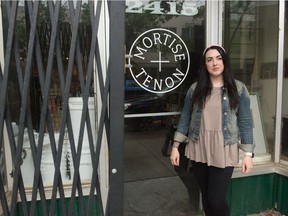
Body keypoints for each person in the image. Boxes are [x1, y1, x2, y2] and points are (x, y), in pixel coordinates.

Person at [170, 45, 255, 216]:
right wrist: (175, 146)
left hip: (224, 148)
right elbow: (185, 117)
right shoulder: (195, 89)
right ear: (205, 64)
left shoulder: (238, 88)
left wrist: (248, 154)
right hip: (199, 146)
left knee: (216, 198)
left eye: (218, 58)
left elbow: (245, 121)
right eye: (209, 59)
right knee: (207, 197)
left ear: (224, 61)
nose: (214, 63)